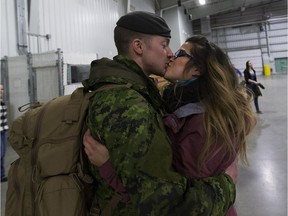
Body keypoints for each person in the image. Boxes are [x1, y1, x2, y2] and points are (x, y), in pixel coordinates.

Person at [82, 11, 236, 215]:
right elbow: (163, 204)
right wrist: (226, 186)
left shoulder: (196, 117)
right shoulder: (131, 105)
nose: (170, 53)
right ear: (138, 46)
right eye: (164, 45)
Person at [0, 84, 8, 182]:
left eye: (2, 89)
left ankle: (1, 175)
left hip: (3, 131)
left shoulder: (2, 103)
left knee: (3, 154)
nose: (1, 91)